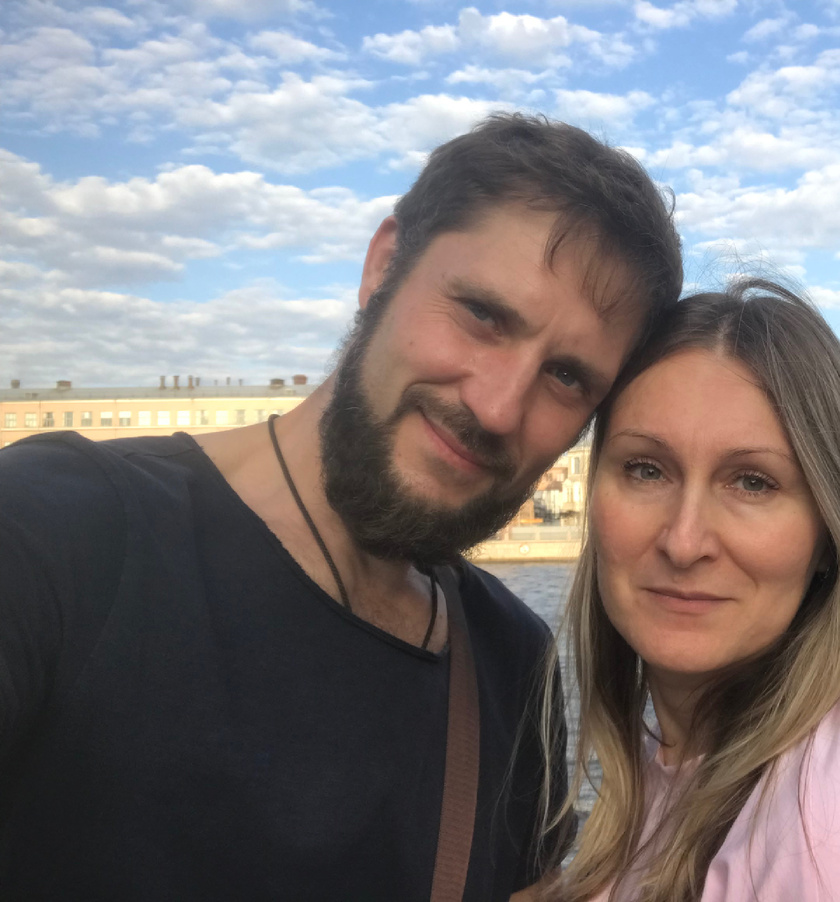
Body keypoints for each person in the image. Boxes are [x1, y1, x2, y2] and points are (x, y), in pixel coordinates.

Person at [0, 114, 682, 901]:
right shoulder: (57, 536)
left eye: (566, 377)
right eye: (483, 315)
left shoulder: (513, 664)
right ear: (383, 266)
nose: (498, 407)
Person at [545, 279, 840, 901]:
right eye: (646, 469)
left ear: (830, 534)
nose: (684, 541)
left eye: (752, 482)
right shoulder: (701, 771)